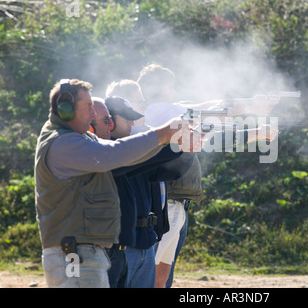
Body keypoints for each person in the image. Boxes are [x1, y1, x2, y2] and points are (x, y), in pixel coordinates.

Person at [34, 78, 196, 288]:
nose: (92, 115)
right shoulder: (63, 142)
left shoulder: (81, 140)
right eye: (88, 107)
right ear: (65, 110)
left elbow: (130, 159)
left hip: (88, 249)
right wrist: (162, 134)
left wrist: (175, 144)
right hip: (74, 252)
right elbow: (115, 153)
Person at [137, 64, 279, 288]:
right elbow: (212, 113)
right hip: (165, 203)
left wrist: (254, 121)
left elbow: (210, 123)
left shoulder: (171, 110)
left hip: (177, 202)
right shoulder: (159, 112)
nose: (173, 90)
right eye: (170, 86)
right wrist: (251, 105)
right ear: (163, 87)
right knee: (151, 277)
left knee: (162, 276)